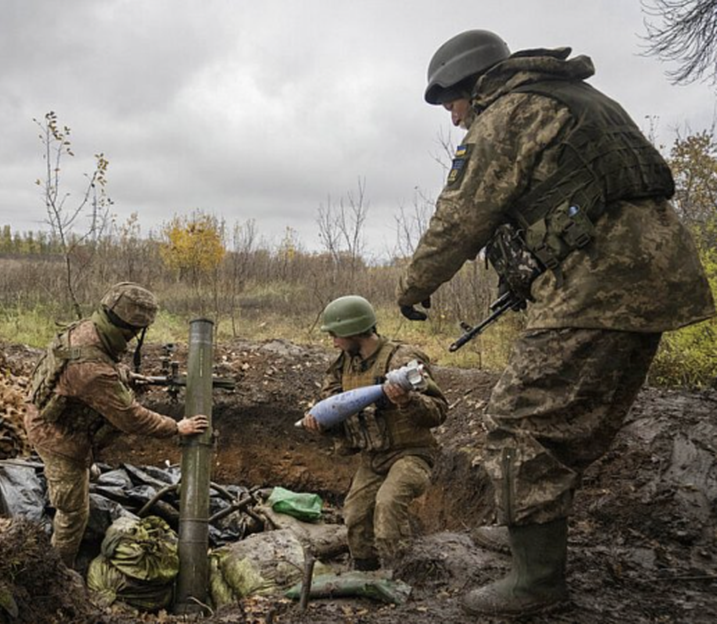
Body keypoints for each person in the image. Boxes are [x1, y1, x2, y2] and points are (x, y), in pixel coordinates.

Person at [400, 30, 715, 617]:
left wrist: (413, 287)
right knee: (570, 423)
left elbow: (459, 217)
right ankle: (528, 536)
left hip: (597, 288)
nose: (454, 119)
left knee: (521, 424)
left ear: (472, 85)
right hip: (656, 283)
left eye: (453, 105)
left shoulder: (507, 114)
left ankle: (536, 580)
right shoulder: (582, 101)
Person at [24, 282, 209, 568]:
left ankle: (76, 477)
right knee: (73, 516)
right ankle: (57, 576)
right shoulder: (93, 373)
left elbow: (101, 367)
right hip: (57, 439)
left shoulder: (89, 330)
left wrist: (124, 375)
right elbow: (131, 417)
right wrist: (176, 427)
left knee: (87, 474)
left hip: (59, 422)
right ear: (129, 330)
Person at [301, 295, 448, 572]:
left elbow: (439, 411)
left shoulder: (403, 360)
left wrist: (407, 401)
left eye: (335, 335)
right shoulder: (342, 366)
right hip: (373, 458)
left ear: (353, 331)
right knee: (355, 515)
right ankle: (366, 573)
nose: (333, 342)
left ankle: (402, 572)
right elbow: (335, 411)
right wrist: (320, 425)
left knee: (388, 504)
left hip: (412, 454)